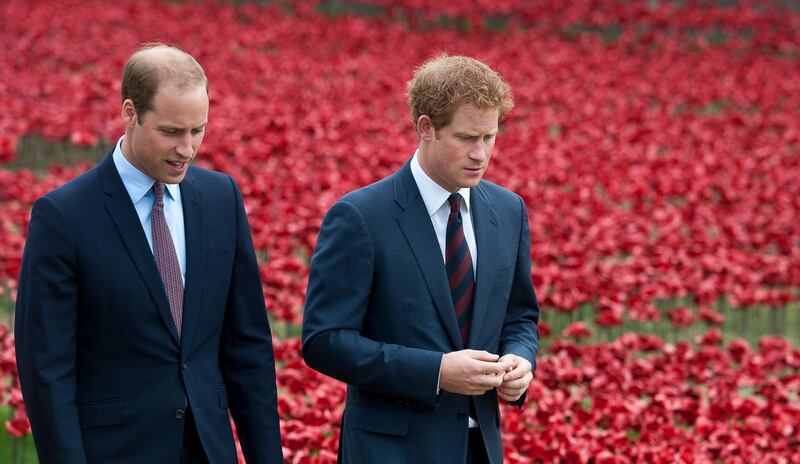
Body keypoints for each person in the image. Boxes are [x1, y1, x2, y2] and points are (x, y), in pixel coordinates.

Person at [15, 44, 283, 463]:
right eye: (172, 132)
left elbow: (247, 347)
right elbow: (46, 371)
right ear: (130, 113)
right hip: (115, 452)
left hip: (209, 450)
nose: (187, 149)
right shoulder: (63, 217)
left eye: (199, 130)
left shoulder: (220, 198)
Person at [302, 54, 540, 464]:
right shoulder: (361, 216)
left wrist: (520, 359)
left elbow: (519, 316)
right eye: (467, 138)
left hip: (480, 448)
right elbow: (324, 341)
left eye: (490, 136)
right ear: (425, 128)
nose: (480, 154)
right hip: (388, 450)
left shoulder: (508, 210)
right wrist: (435, 371)